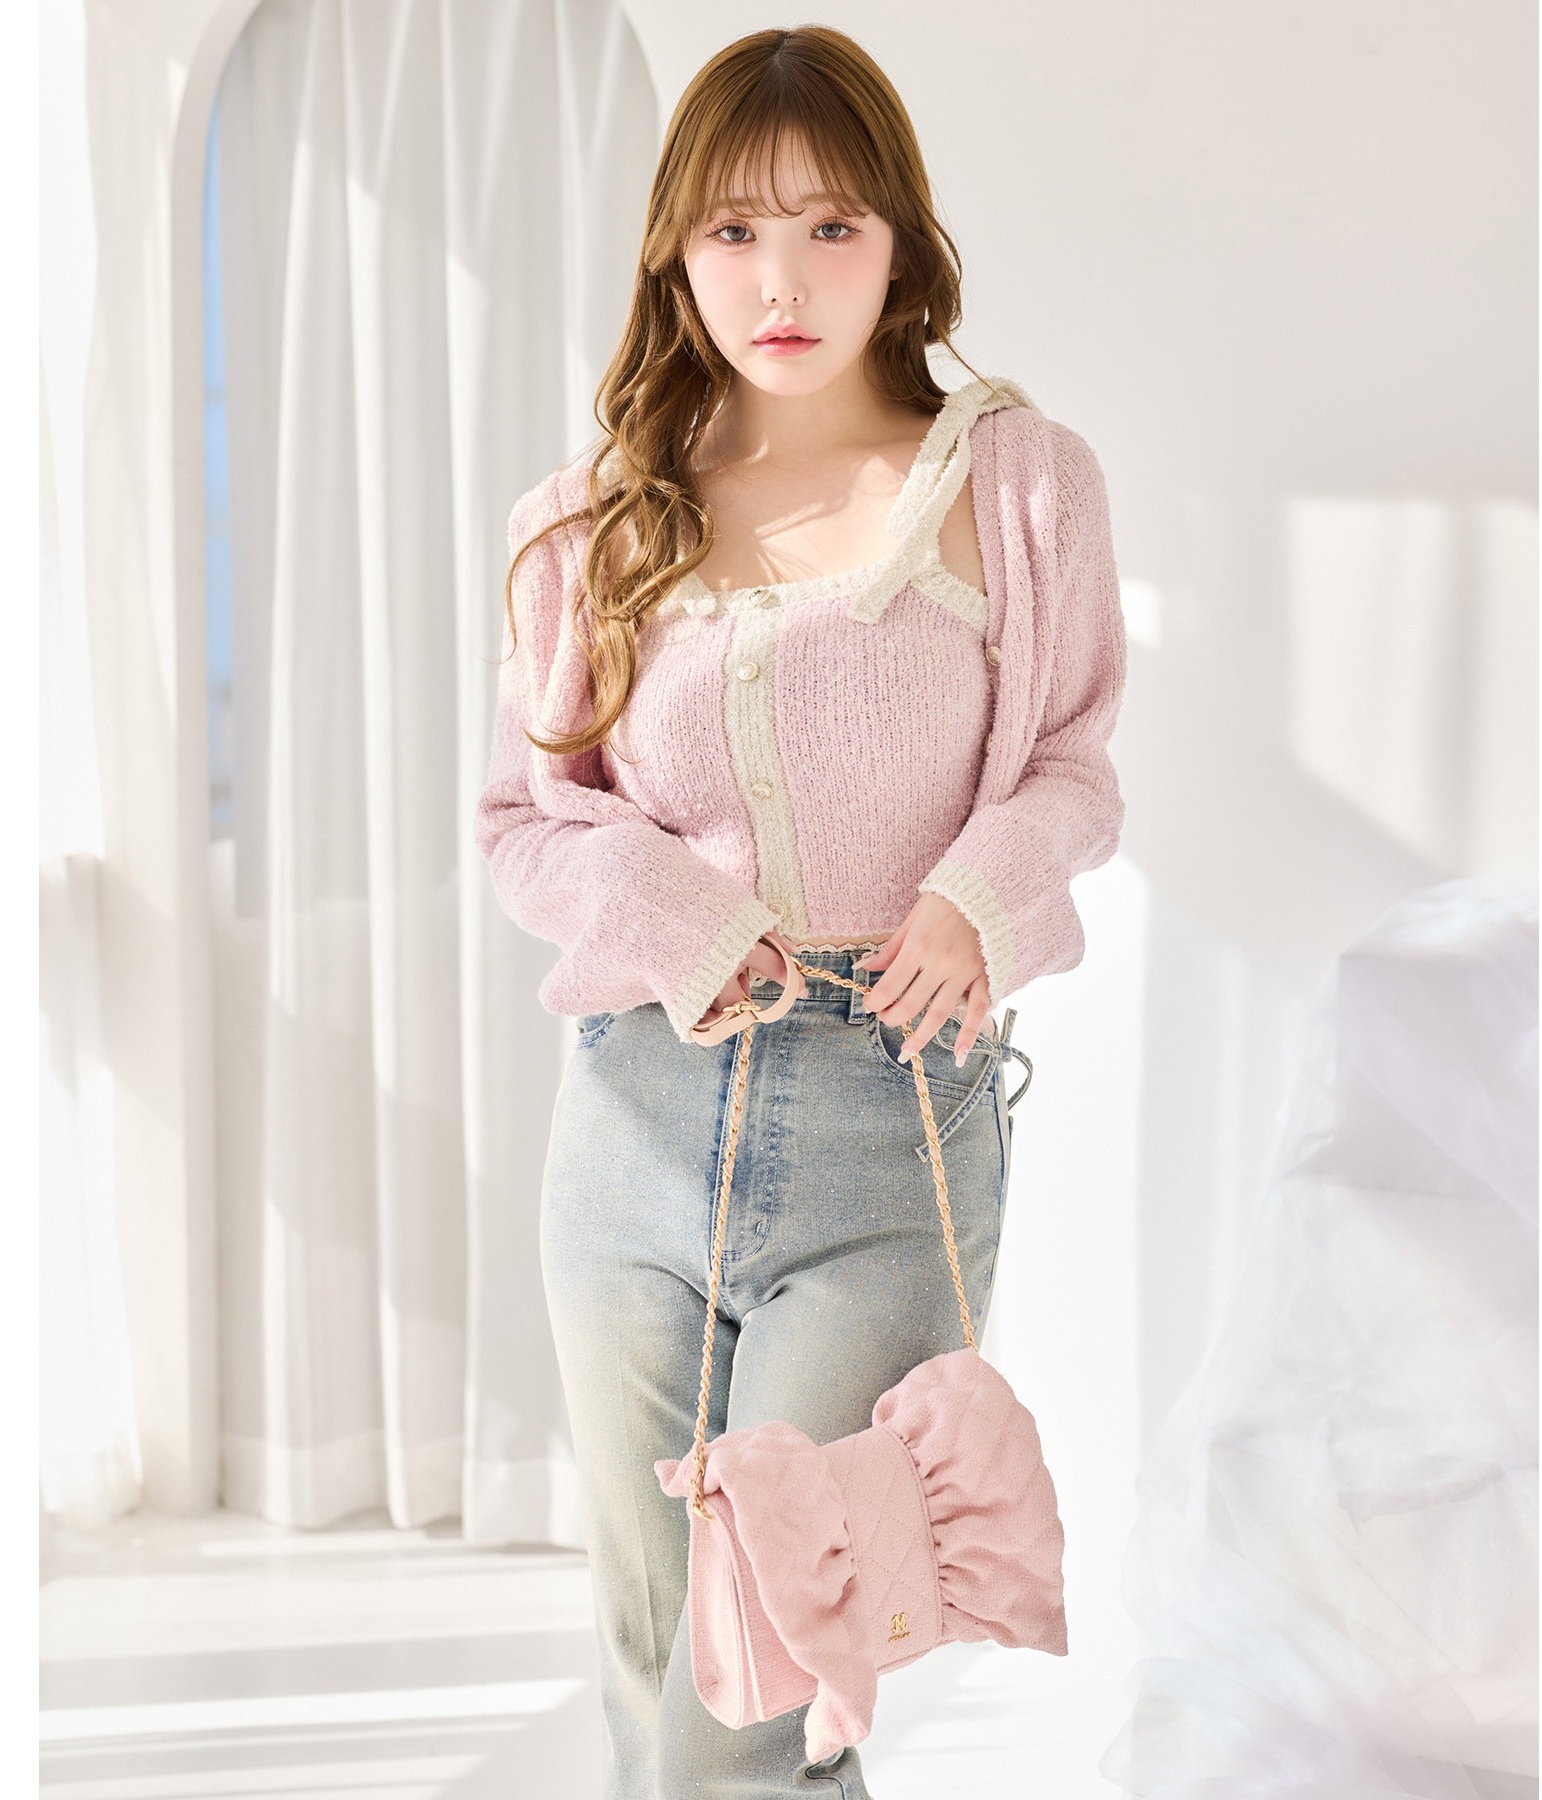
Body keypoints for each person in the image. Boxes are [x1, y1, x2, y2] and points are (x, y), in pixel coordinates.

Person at [474, 25, 1128, 1799]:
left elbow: (1074, 767)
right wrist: (677, 918)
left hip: (883, 1122)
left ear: (901, 243)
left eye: (833, 227)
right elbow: (529, 820)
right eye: (736, 232)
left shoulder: (1016, 483)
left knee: (759, 1688)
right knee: (652, 1658)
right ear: (676, 256)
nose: (783, 281)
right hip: (631, 1122)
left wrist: (976, 898)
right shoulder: (588, 522)